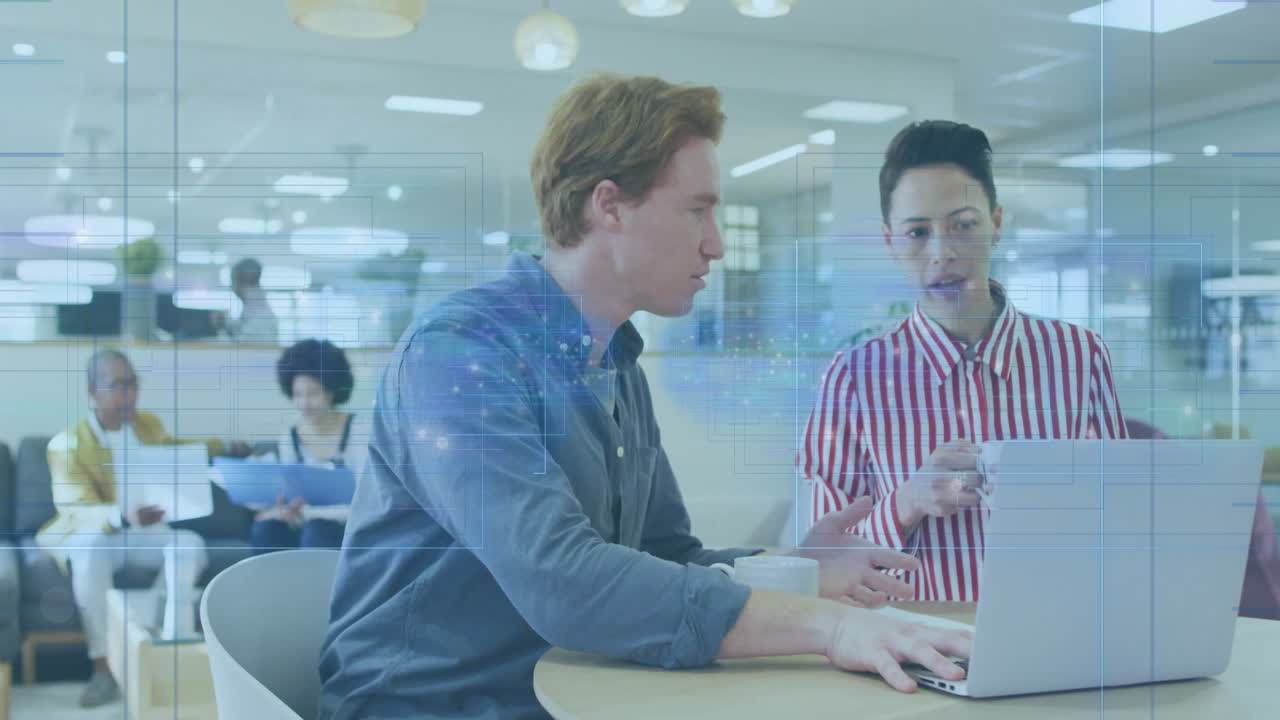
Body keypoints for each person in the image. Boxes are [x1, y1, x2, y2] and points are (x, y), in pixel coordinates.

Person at [317, 74, 970, 720]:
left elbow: (666, 559)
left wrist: (792, 569)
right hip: (427, 704)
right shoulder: (459, 352)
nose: (714, 243)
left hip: (564, 689)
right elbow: (564, 583)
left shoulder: (617, 360)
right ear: (609, 205)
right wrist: (827, 627)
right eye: (696, 210)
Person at [798, 120, 1128, 603]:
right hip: (911, 652)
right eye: (917, 232)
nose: (943, 253)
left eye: (964, 225)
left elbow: (1121, 522)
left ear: (996, 223)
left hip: (1055, 640)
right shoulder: (851, 379)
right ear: (890, 241)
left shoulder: (1079, 357)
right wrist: (907, 502)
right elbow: (822, 566)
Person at [39, 349, 246, 707]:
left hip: (143, 532)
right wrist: (122, 517)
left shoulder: (147, 425)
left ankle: (144, 639)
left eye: (133, 383)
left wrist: (224, 447)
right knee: (90, 549)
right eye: (117, 385)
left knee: (189, 544)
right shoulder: (67, 444)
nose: (129, 394)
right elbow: (77, 509)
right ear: (93, 391)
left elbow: (178, 451)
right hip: (99, 534)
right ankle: (102, 666)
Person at [249, 339, 369, 552]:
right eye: (298, 395)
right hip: (305, 525)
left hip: (348, 528)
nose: (304, 403)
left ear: (331, 391)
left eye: (313, 394)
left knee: (317, 530)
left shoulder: (359, 430)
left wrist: (307, 514)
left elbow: (364, 505)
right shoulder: (290, 436)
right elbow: (294, 499)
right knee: (265, 529)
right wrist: (279, 509)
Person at [214, 257, 279, 342]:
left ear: (240, 283)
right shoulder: (254, 309)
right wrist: (225, 324)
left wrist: (222, 331)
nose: (232, 287)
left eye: (233, 282)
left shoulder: (261, 316)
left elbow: (241, 346)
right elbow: (241, 330)